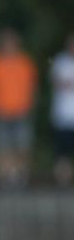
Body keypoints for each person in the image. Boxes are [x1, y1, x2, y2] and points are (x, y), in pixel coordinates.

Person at [0, 29, 37, 186]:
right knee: (3, 146)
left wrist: (28, 105)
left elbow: (32, 86)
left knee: (22, 144)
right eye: (5, 43)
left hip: (21, 111)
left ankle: (21, 175)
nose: (8, 46)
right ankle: (6, 177)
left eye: (11, 42)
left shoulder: (25, 63)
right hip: (1, 111)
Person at [50, 34, 74, 186]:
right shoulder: (60, 61)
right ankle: (63, 180)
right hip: (63, 115)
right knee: (62, 150)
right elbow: (56, 82)